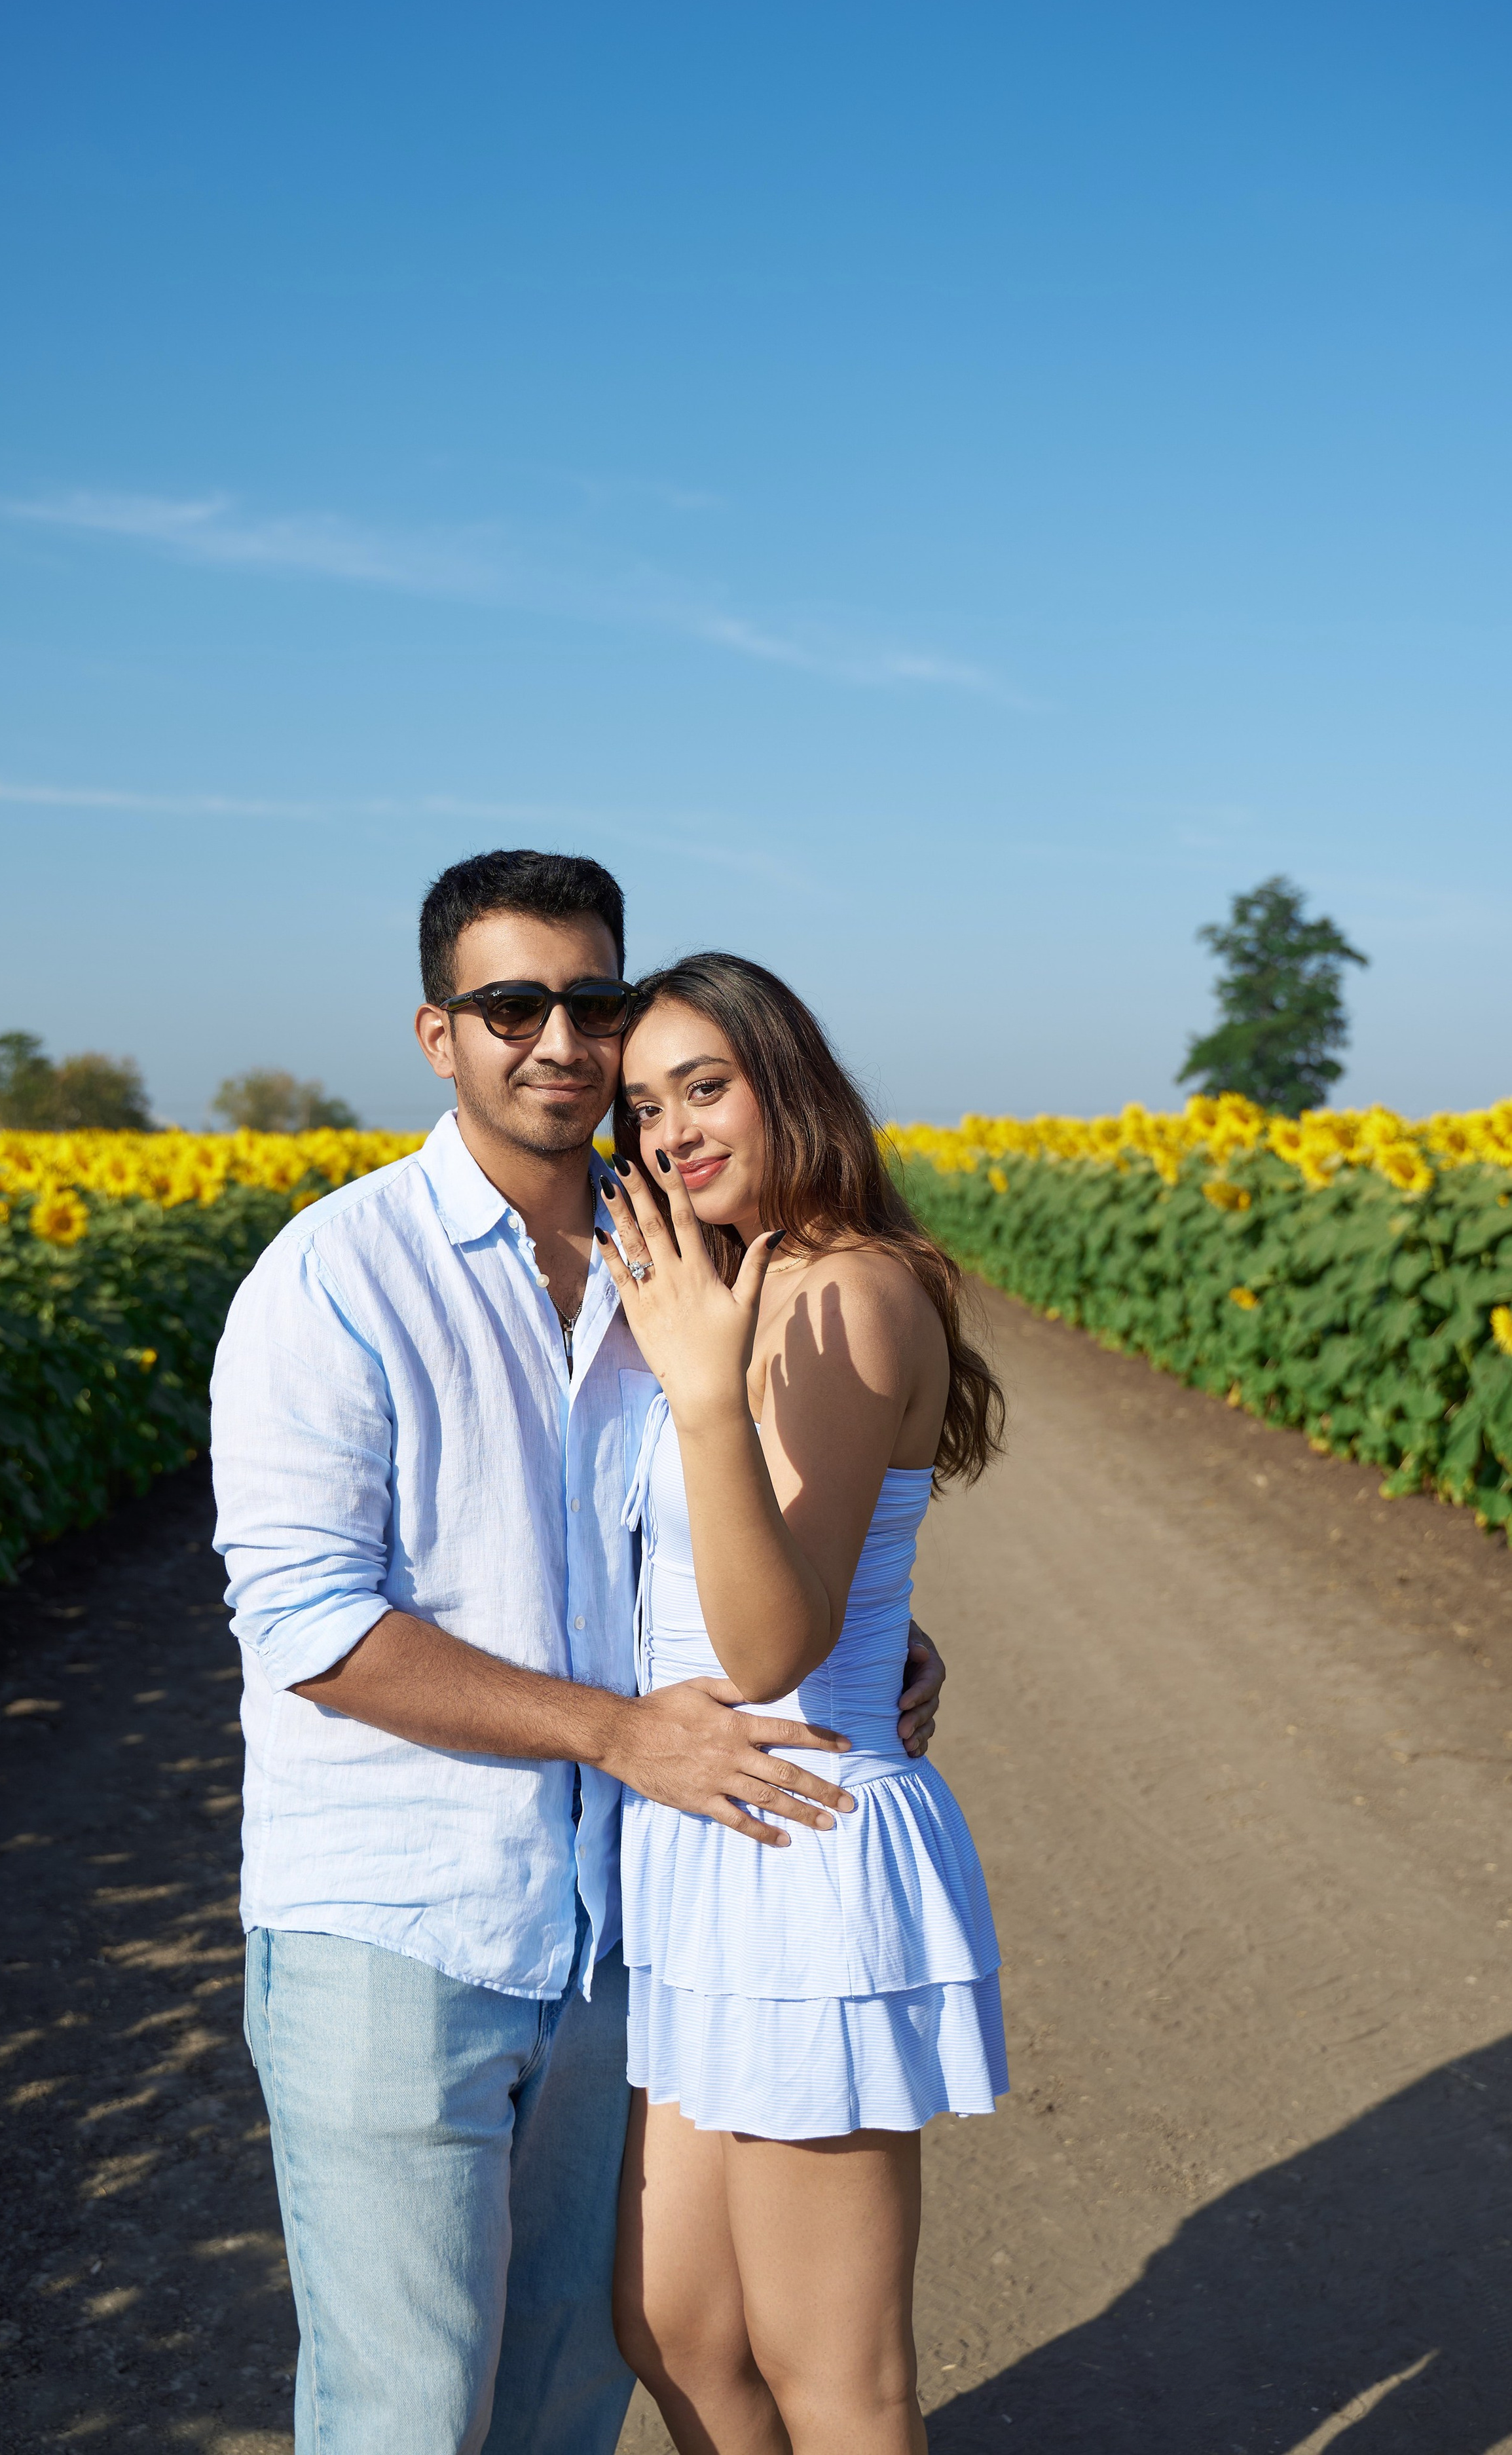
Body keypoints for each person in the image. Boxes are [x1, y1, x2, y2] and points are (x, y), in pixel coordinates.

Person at [210, 851, 948, 2455]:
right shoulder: (336, 1273)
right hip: (405, 1918)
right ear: (437, 1033)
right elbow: (307, 1622)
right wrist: (623, 1730)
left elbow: (709, 1556)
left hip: (623, 1916)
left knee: (576, 2382)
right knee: (412, 2409)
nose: (560, 1039)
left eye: (589, 1002)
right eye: (509, 1003)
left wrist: (868, 1629)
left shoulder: (668, 1274)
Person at [598, 951, 1006, 2455]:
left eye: (704, 1087)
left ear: (789, 1082)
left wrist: (704, 1395)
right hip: (707, 1827)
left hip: (802, 1825)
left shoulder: (843, 1290)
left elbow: (767, 1643)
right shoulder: (730, 1276)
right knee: (678, 2322)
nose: (668, 1131)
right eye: (642, 1105)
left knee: (832, 2373)